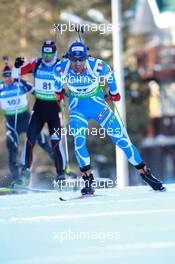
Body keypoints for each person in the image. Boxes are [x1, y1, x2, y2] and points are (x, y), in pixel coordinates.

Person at [53, 41, 165, 195]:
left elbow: (110, 75)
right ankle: (88, 181)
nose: (77, 64)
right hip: (78, 109)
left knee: (121, 139)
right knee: (79, 141)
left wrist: (114, 92)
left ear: (86, 58)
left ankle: (146, 175)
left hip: (99, 107)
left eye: (81, 60)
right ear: (69, 58)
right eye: (74, 60)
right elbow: (56, 79)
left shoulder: (96, 65)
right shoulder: (61, 67)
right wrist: (58, 91)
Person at [12, 40, 66, 186]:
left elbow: (76, 73)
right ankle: (25, 172)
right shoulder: (36, 63)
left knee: (56, 142)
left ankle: (61, 174)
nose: (47, 57)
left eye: (50, 53)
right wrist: (16, 66)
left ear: (55, 53)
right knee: (30, 139)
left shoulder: (61, 65)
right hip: (39, 109)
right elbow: (15, 75)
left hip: (55, 110)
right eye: (45, 53)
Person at [0, 65, 54, 187]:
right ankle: (18, 180)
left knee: (44, 142)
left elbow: (37, 92)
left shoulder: (21, 84)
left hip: (27, 120)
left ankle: (62, 169)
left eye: (10, 76)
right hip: (11, 124)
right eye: (5, 77)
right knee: (12, 150)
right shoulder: (1, 87)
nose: (8, 79)